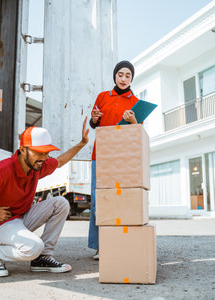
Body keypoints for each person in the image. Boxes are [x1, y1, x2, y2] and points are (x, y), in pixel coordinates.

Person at [0, 118, 89, 277]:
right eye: (38, 152)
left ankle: (43, 258)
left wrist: (82, 143)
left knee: (61, 203)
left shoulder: (36, 166)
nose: (43, 158)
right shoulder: (3, 170)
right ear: (22, 150)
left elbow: (60, 161)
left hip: (20, 219)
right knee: (34, 247)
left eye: (46, 153)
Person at [88, 60, 139, 260]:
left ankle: (116, 242)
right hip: (99, 154)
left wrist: (134, 121)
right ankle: (99, 246)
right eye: (120, 74)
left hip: (122, 157)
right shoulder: (102, 97)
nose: (124, 78)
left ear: (132, 78)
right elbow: (94, 124)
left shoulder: (135, 101)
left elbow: (137, 132)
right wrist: (93, 118)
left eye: (128, 75)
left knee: (118, 201)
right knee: (98, 201)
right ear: (115, 76)